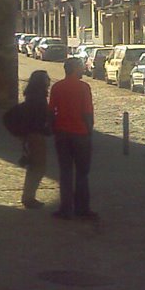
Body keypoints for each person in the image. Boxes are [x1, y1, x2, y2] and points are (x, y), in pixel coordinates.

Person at [48, 57, 96, 221]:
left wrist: (54, 128)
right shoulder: (83, 87)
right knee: (82, 173)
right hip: (80, 133)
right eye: (81, 67)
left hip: (62, 133)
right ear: (75, 69)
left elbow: (51, 110)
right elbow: (87, 112)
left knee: (65, 172)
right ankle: (82, 208)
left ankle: (65, 208)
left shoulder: (57, 87)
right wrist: (89, 132)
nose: (83, 70)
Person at [20, 70, 52, 209]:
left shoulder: (32, 95)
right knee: (38, 167)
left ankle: (28, 196)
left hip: (31, 134)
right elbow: (37, 118)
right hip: (36, 135)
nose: (49, 80)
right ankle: (28, 197)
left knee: (35, 166)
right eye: (46, 78)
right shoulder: (38, 97)